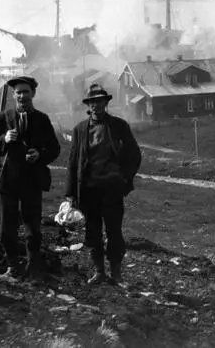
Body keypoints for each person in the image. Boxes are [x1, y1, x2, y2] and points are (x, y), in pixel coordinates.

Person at [0, 75, 61, 283]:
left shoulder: (42, 119)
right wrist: (3, 140)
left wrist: (40, 155)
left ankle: (34, 269)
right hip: (8, 180)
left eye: (26, 92)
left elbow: (55, 148)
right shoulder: (3, 118)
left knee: (33, 229)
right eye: (18, 92)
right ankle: (13, 267)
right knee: (6, 229)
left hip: (32, 181)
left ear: (33, 94)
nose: (22, 96)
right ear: (14, 95)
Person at [64, 83, 142, 287]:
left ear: (106, 103)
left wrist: (126, 179)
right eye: (92, 102)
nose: (96, 105)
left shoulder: (119, 126)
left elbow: (135, 154)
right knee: (92, 232)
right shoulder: (80, 129)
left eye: (100, 101)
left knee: (114, 231)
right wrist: (70, 193)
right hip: (89, 191)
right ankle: (99, 272)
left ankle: (116, 273)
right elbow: (73, 162)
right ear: (88, 105)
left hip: (112, 190)